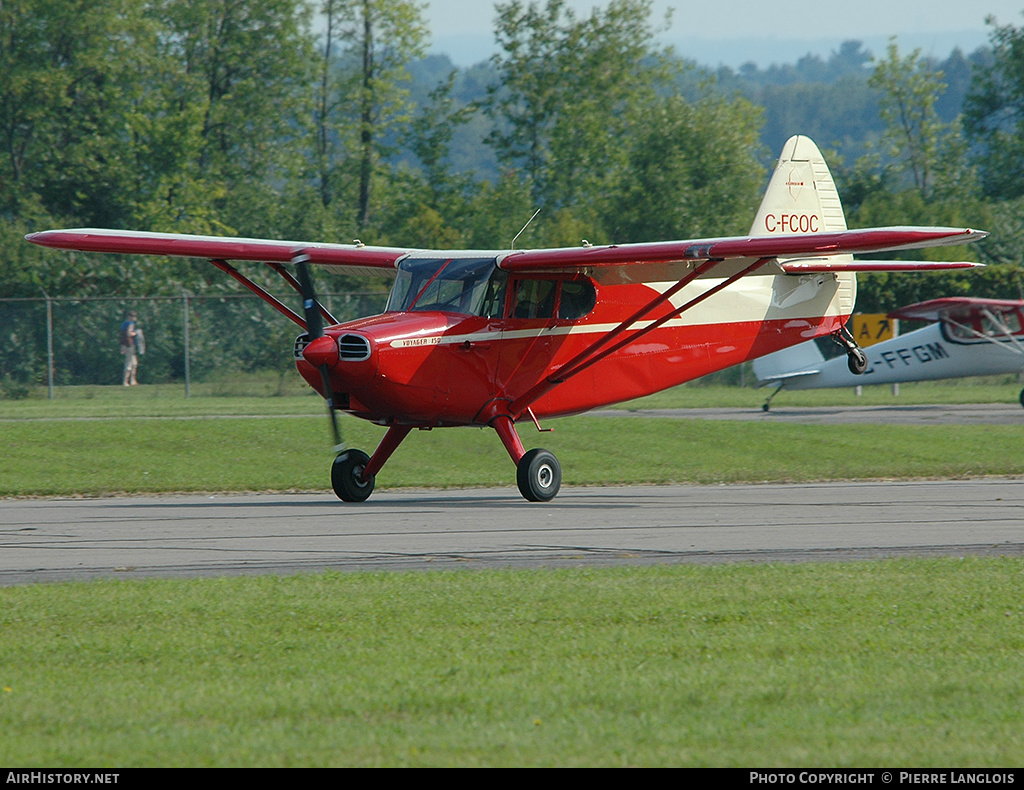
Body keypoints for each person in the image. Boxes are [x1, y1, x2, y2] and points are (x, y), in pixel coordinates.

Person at [120, 311, 144, 386]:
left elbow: (122, 336)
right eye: (132, 316)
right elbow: (128, 333)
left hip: (128, 344)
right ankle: (125, 381)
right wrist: (136, 333)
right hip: (129, 345)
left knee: (134, 363)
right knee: (129, 363)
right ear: (129, 316)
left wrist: (122, 346)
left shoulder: (124, 324)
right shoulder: (130, 324)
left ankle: (132, 381)